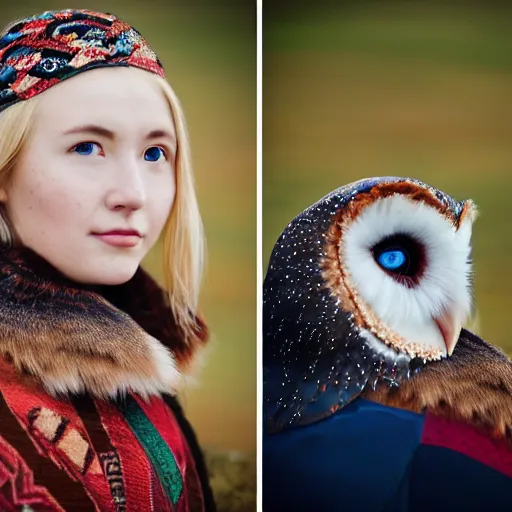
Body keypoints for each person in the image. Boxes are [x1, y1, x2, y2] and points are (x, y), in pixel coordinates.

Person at [0, 8, 215, 511]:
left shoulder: (137, 365)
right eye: (87, 147)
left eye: (155, 153)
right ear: (4, 173)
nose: (133, 194)